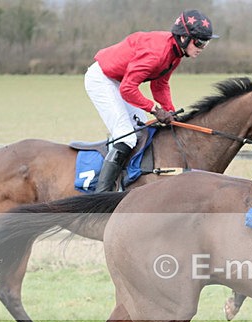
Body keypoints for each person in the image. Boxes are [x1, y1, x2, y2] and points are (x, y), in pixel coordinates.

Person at [84, 10, 218, 192]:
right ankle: (101, 194)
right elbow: (127, 89)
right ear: (184, 38)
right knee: (127, 136)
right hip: (103, 79)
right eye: (199, 42)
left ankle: (130, 179)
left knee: (143, 132)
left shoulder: (175, 54)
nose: (202, 48)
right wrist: (155, 109)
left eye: (206, 43)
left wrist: (170, 111)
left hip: (121, 81)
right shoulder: (157, 53)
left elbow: (160, 84)